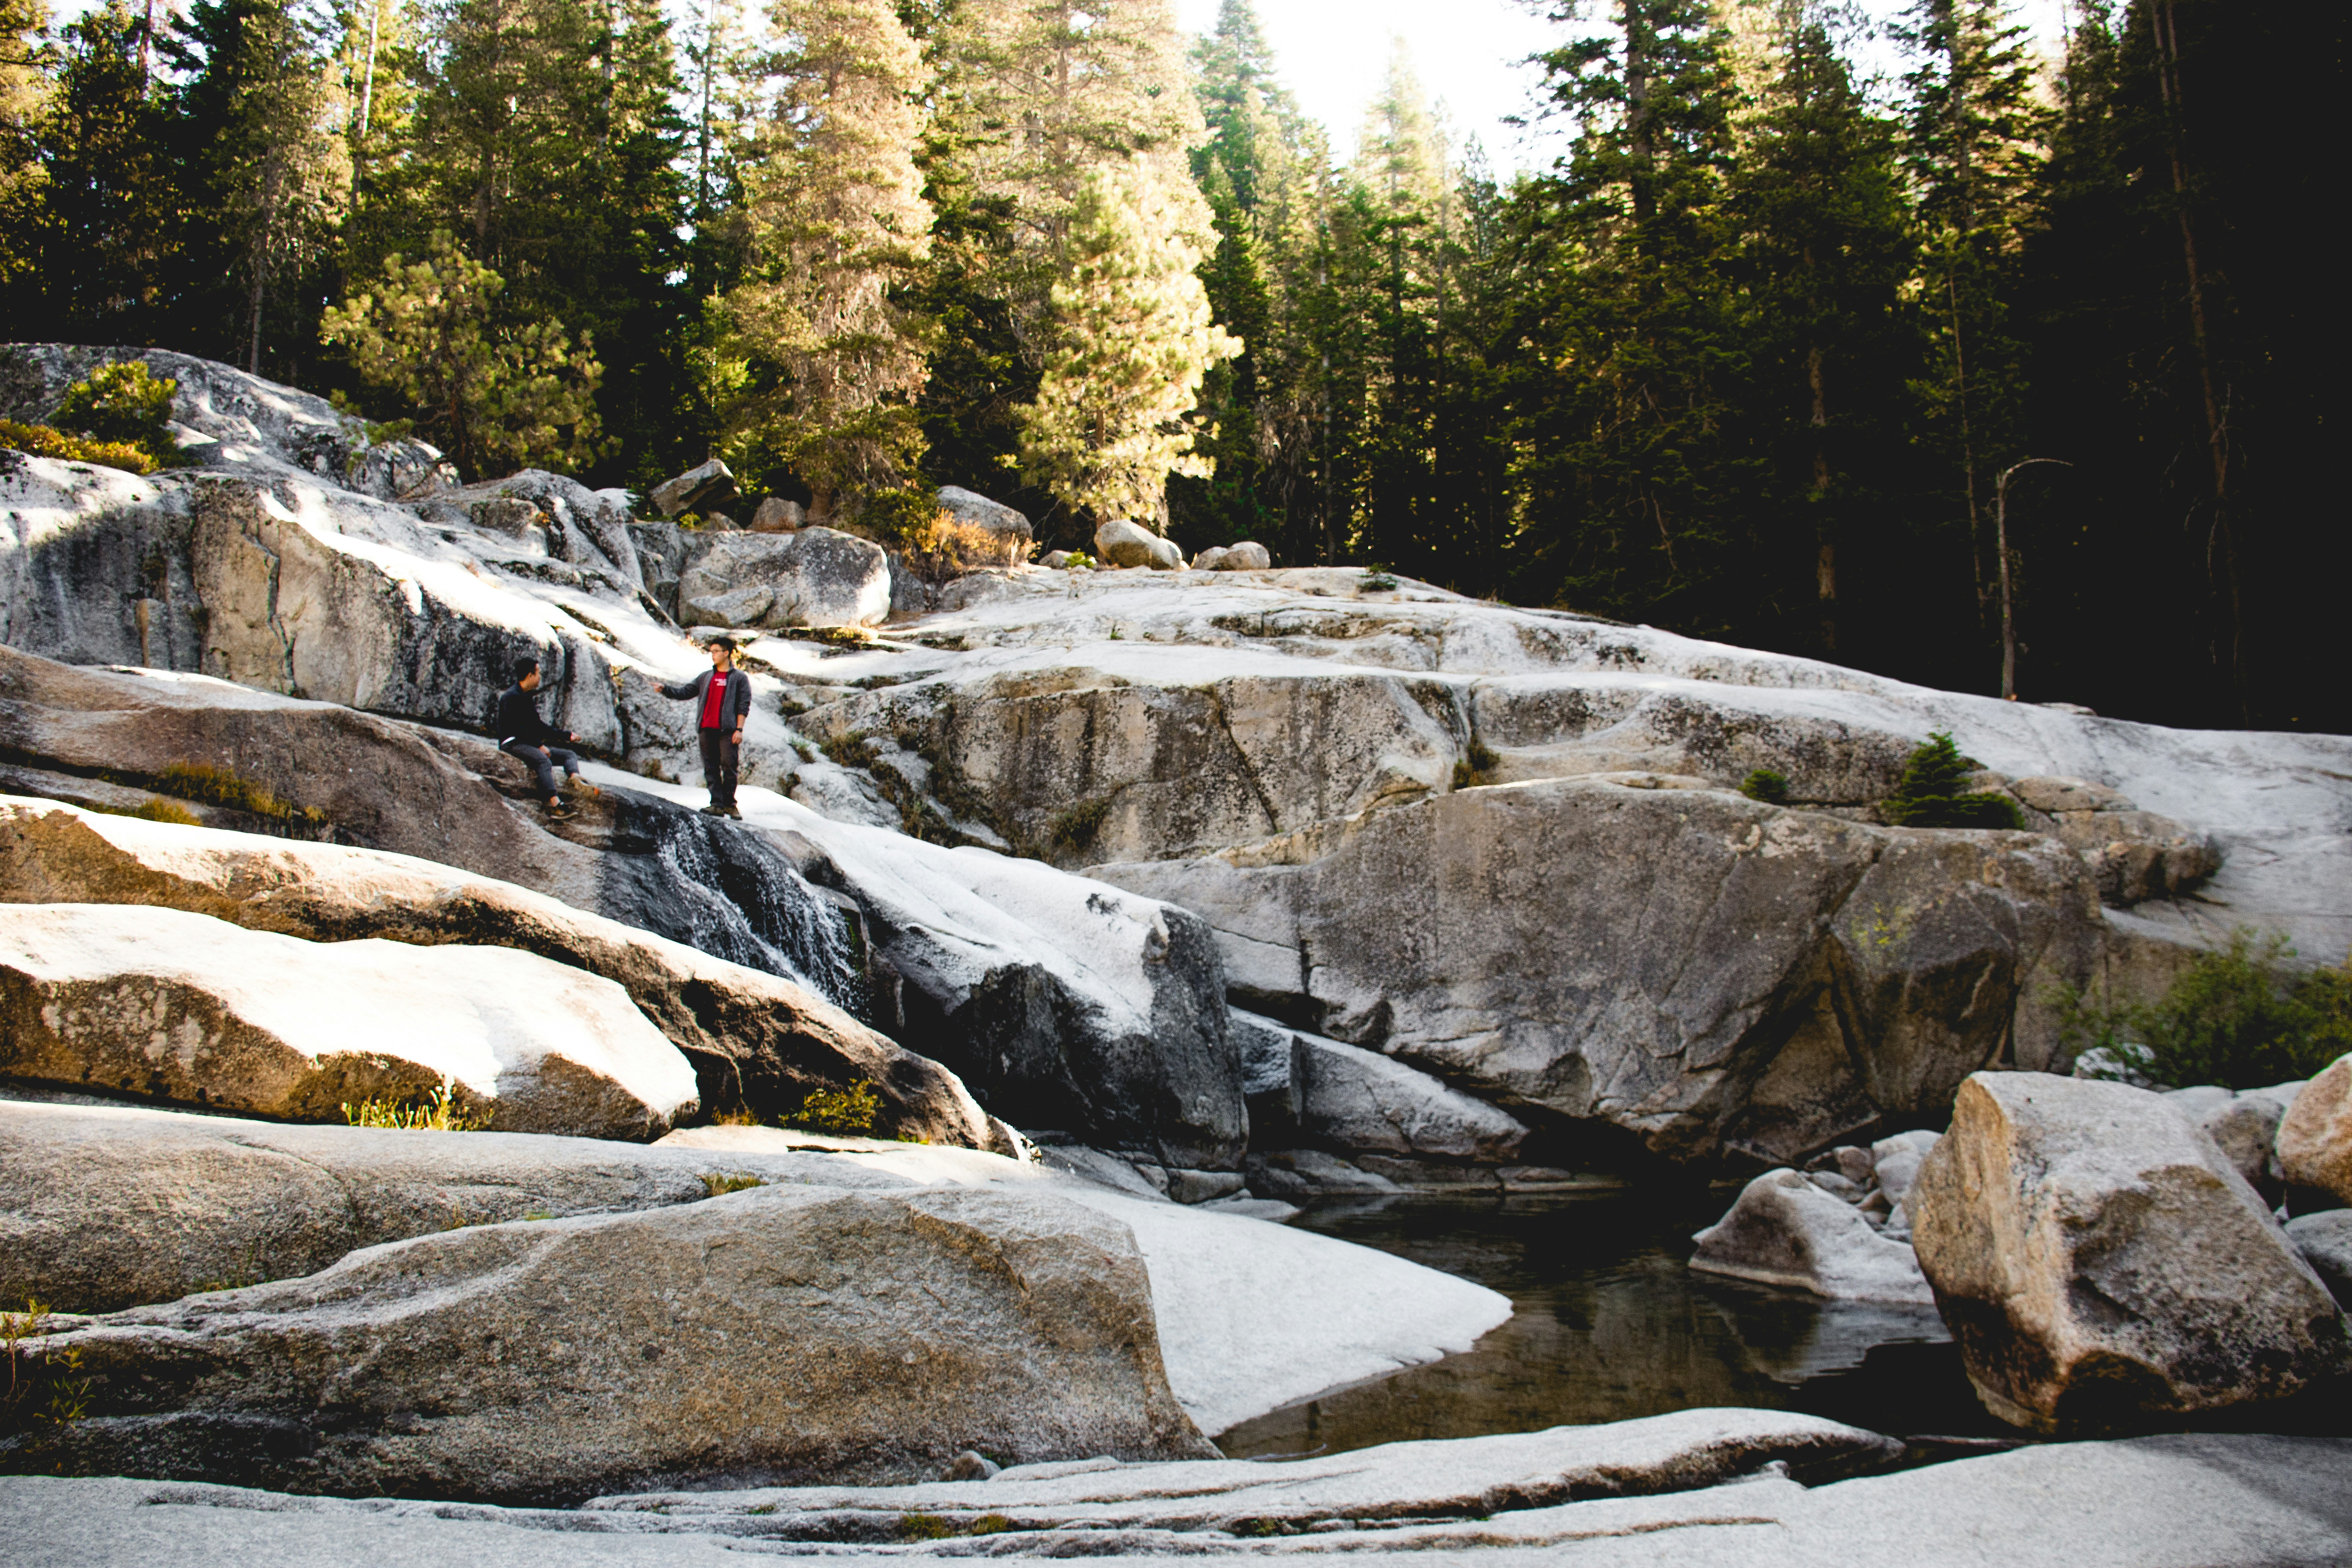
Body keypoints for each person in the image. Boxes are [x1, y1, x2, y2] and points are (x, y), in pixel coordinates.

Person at [496, 657, 600, 821]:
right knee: (543, 760)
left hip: (526, 742)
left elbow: (538, 727)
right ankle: (556, 805)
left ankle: (575, 778)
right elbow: (517, 729)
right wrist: (539, 746)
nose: (540, 677)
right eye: (538, 674)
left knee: (569, 755)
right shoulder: (511, 697)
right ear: (530, 675)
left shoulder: (525, 697)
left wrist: (567, 736)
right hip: (512, 742)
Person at [659, 638, 752, 818]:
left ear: (727, 653)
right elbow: (686, 692)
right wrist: (665, 689)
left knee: (729, 766)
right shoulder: (706, 677)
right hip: (706, 729)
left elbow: (744, 704)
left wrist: (739, 730)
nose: (713, 655)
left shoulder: (739, 678)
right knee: (711, 767)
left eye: (717, 651)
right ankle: (716, 804)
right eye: (712, 652)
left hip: (728, 730)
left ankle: (730, 805)